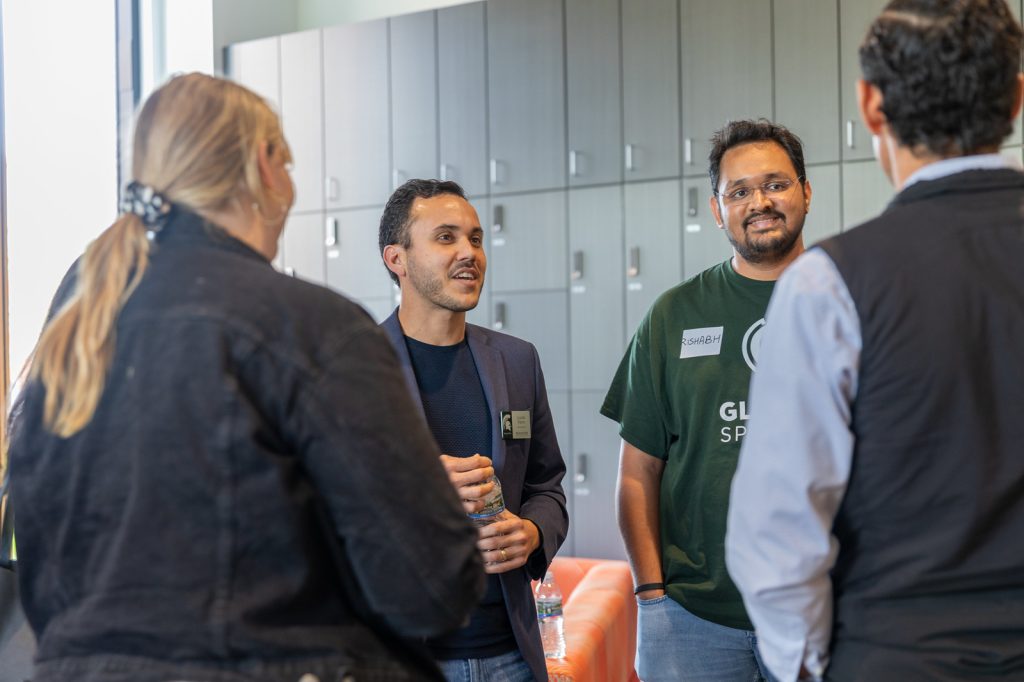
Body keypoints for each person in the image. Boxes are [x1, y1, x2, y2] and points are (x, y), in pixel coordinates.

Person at [6, 73, 484, 682]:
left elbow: (44, 584)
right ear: (264, 165)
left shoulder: (74, 337)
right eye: (287, 161)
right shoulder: (312, 328)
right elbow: (431, 586)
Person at [726, 1, 1024, 680]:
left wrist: (808, 664)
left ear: (870, 104)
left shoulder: (829, 284)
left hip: (897, 654)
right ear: (1015, 96)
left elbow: (776, 534)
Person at [601, 119, 813, 681]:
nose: (759, 202)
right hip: (693, 622)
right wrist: (651, 597)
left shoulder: (855, 301)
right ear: (717, 210)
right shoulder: (673, 317)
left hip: (825, 616)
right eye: (739, 191)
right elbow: (636, 473)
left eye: (775, 183)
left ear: (806, 192)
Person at [378, 179, 568, 682]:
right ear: (397, 258)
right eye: (445, 238)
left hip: (512, 655)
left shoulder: (517, 360)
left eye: (476, 239)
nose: (469, 253)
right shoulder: (351, 366)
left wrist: (531, 533)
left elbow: (547, 485)